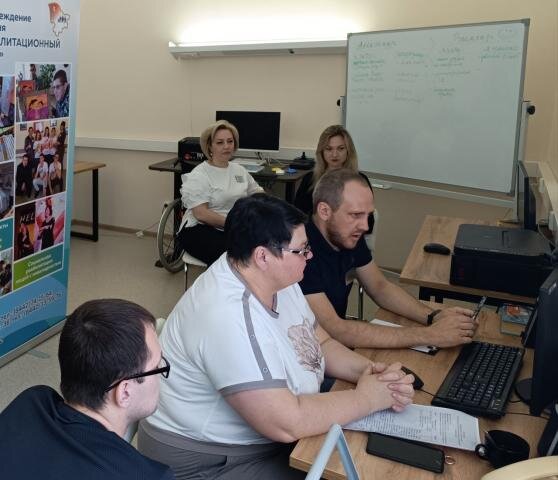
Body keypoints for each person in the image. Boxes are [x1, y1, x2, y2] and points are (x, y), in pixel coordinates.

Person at [138, 193, 414, 480]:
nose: (310, 256)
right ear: (263, 256)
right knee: (348, 467)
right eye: (302, 250)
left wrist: (372, 372)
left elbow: (319, 343)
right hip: (209, 460)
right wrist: (366, 398)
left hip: (267, 431)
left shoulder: (275, 277)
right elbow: (287, 423)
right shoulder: (227, 315)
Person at [300, 168, 477, 351]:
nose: (365, 226)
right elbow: (337, 330)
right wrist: (431, 335)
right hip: (308, 355)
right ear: (324, 211)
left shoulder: (345, 235)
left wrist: (434, 316)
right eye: (355, 215)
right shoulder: (299, 253)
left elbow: (380, 287)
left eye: (368, 215)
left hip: (334, 349)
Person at [0, 299, 175, 480]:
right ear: (124, 392)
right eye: (157, 367)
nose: (160, 374)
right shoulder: (149, 476)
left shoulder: (32, 402)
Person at [177, 120, 263, 265]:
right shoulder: (200, 174)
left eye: (230, 141)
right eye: (220, 142)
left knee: (266, 247)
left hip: (232, 226)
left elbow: (257, 192)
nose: (226, 146)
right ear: (209, 146)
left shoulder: (239, 170)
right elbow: (201, 213)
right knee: (237, 255)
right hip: (200, 228)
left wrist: (268, 207)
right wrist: (234, 224)